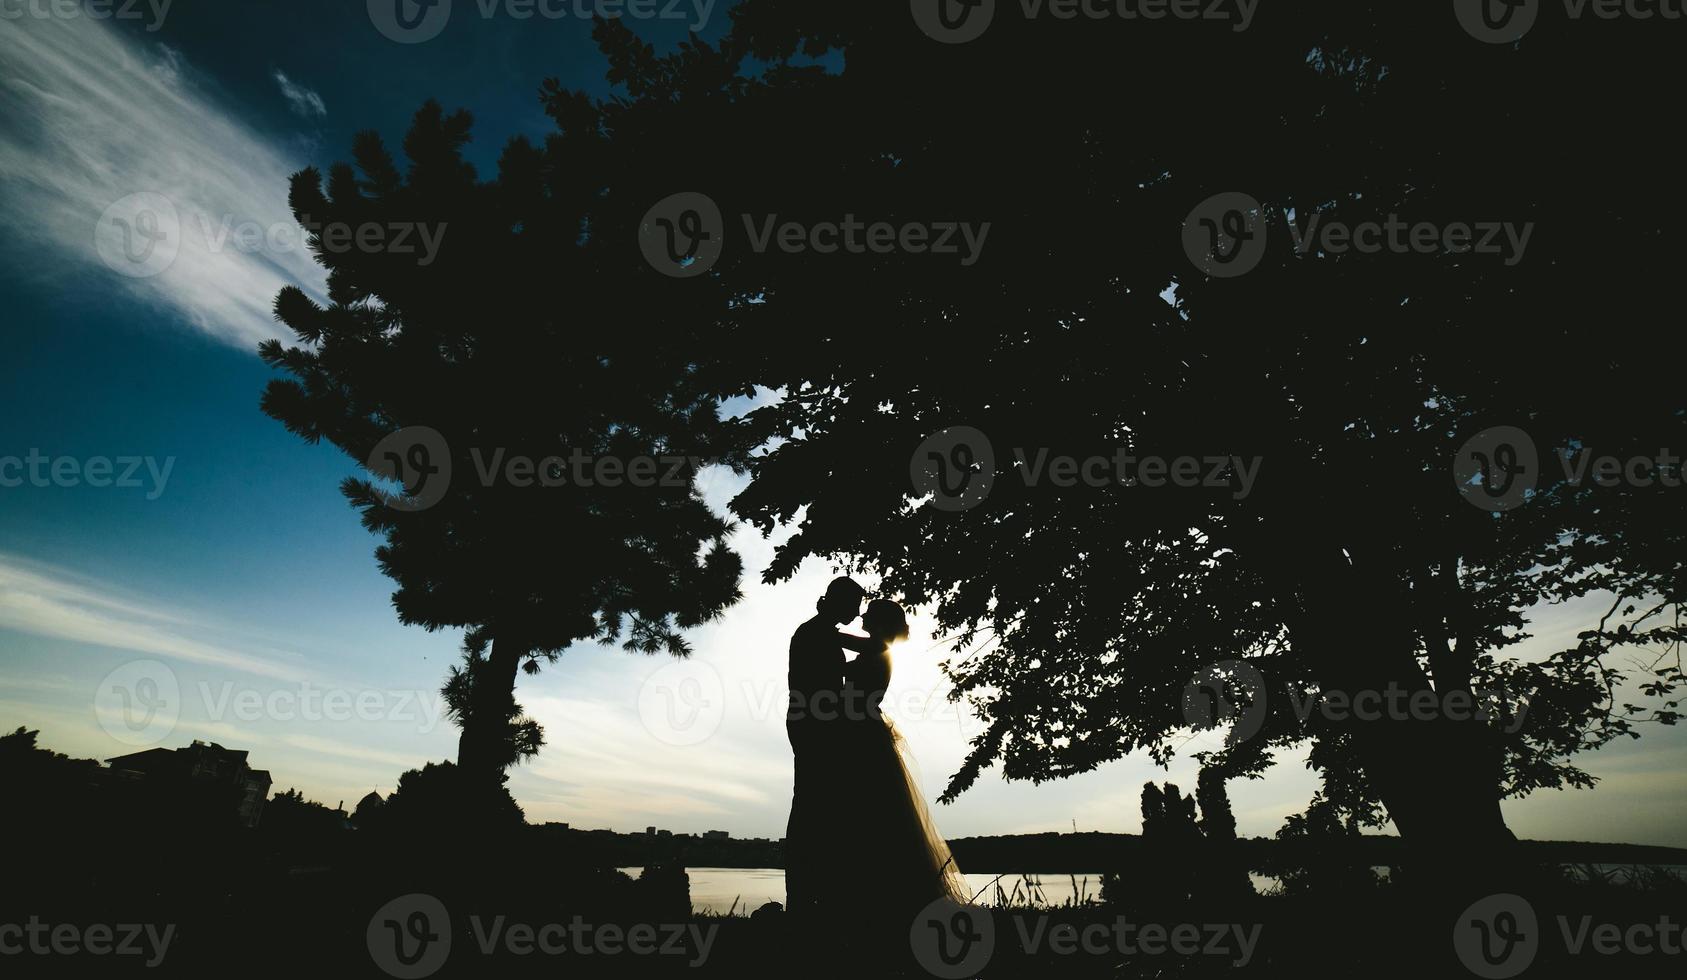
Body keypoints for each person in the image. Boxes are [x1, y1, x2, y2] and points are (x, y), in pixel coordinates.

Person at [835, 598, 970, 940]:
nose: (861, 617)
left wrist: (825, 628)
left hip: (861, 730)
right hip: (861, 726)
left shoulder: (877, 646)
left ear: (879, 623)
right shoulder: (878, 648)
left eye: (868, 615)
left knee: (875, 809)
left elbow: (839, 641)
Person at [785, 575, 866, 918]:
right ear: (840, 602)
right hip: (813, 725)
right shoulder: (816, 632)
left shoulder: (820, 633)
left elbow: (829, 671)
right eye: (855, 605)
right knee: (810, 805)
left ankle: (813, 893)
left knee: (816, 805)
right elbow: (817, 683)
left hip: (813, 722)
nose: (859, 612)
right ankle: (804, 896)